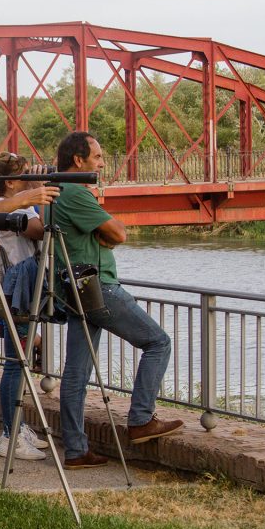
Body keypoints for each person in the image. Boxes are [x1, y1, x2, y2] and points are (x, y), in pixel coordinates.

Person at [53, 131, 183, 469]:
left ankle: (76, 450)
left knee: (76, 373)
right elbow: (119, 233)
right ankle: (140, 419)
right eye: (96, 156)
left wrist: (103, 232)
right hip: (98, 287)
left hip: (74, 287)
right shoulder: (76, 193)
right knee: (159, 342)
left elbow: (106, 234)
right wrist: (105, 232)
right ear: (78, 160)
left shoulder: (53, 192)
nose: (101, 162)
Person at [0, 152, 49, 461]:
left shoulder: (11, 204)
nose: (30, 182)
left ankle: (17, 428)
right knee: (15, 364)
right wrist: (39, 192)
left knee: (17, 361)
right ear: (10, 183)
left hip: (15, 290)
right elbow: (39, 231)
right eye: (24, 177)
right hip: (17, 293)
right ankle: (10, 435)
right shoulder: (4, 208)